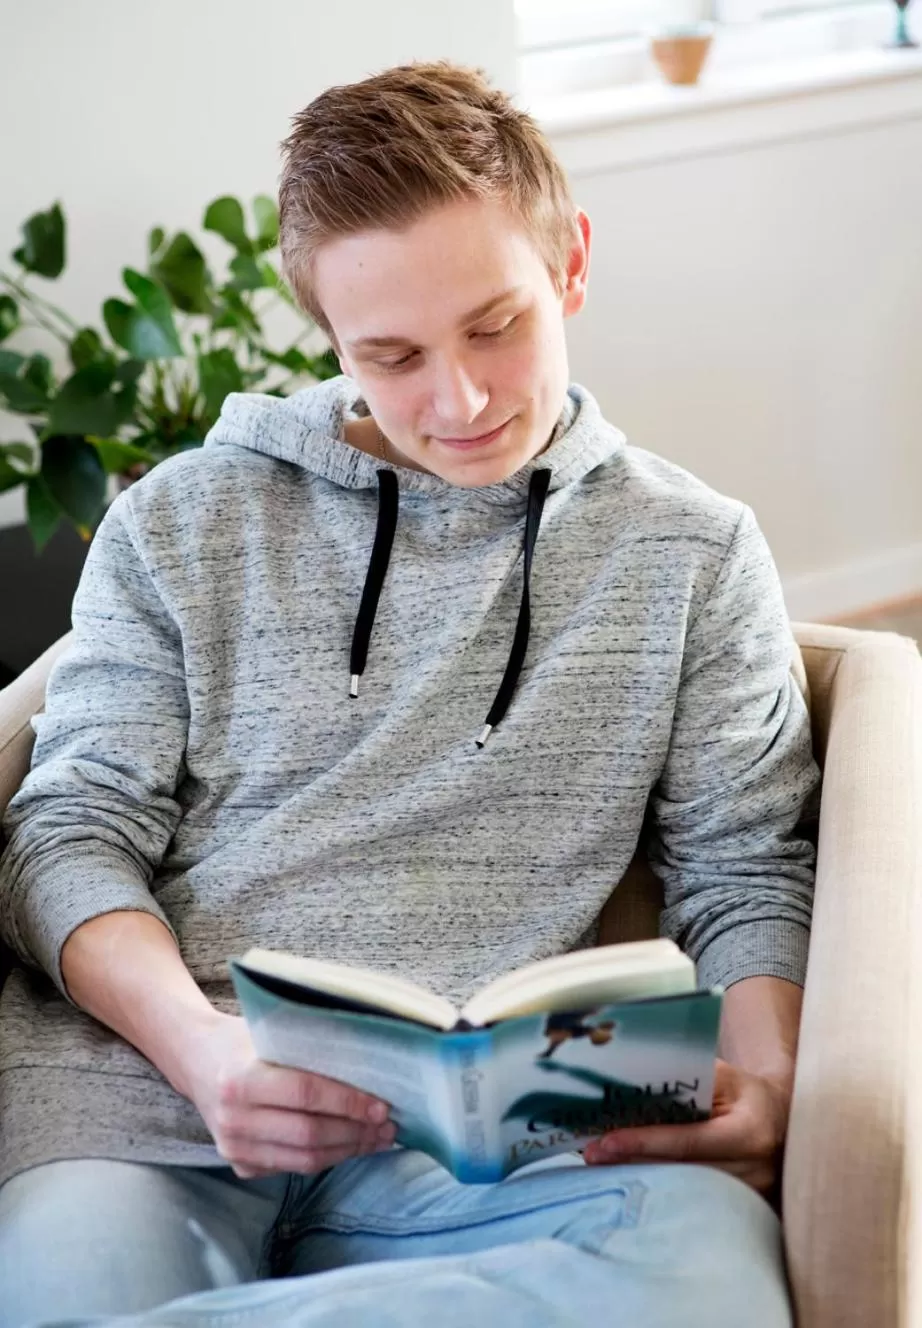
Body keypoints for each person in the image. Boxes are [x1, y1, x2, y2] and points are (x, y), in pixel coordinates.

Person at [0, 61, 820, 1328]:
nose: (462, 399)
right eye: (391, 355)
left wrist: (759, 1078)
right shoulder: (179, 520)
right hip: (145, 1112)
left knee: (709, 1273)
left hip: (509, 1135)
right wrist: (206, 1053)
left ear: (572, 267)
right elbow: (64, 833)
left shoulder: (693, 553)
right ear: (329, 339)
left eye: (497, 325)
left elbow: (746, 866)